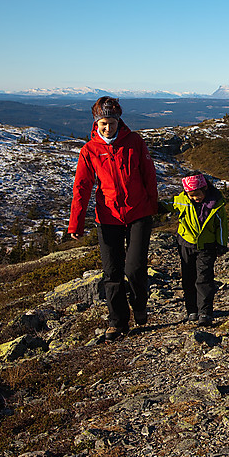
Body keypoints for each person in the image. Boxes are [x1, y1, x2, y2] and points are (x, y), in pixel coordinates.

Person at [68, 96, 158, 341]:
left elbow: (149, 175)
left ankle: (139, 304)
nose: (108, 128)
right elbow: (82, 187)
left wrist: (152, 206)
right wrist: (75, 222)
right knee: (112, 273)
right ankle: (118, 322)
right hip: (107, 218)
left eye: (112, 122)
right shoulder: (89, 150)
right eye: (103, 123)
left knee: (135, 268)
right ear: (96, 124)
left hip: (138, 213)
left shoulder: (135, 142)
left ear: (119, 121)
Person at [161, 173, 228, 327]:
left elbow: (222, 225)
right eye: (191, 195)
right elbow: (166, 204)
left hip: (207, 246)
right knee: (188, 277)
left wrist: (221, 244)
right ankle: (192, 310)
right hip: (185, 244)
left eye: (197, 195)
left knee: (204, 278)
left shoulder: (216, 204)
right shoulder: (182, 200)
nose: (195, 198)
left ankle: (205, 312)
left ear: (204, 188)